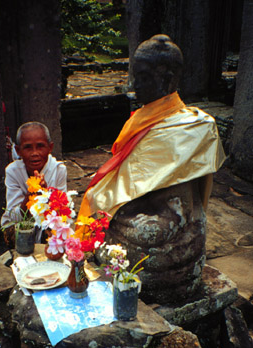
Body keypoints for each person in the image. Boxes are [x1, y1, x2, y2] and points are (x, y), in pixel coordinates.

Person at [78, 34, 225, 219]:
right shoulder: (142, 117)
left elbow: (183, 192)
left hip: (168, 211)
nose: (135, 85)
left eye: (144, 78)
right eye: (134, 77)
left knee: (106, 209)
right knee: (96, 199)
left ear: (167, 80)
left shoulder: (197, 126)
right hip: (142, 200)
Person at [1, 122, 67, 246]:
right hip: (22, 223)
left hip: (47, 224)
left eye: (40, 146)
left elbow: (62, 211)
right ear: (18, 150)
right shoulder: (13, 171)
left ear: (50, 148)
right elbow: (13, 216)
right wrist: (30, 196)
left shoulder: (59, 170)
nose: (34, 153)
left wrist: (45, 195)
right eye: (28, 147)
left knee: (59, 233)